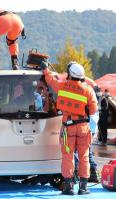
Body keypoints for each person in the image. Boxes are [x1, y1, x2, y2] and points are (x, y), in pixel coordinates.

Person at [40, 61, 98, 195]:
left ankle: (69, 187)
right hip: (83, 127)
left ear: (70, 74)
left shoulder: (63, 86)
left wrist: (45, 69)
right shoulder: (88, 90)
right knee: (84, 156)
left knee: (68, 156)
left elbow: (50, 80)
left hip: (68, 128)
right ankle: (83, 188)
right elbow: (94, 109)